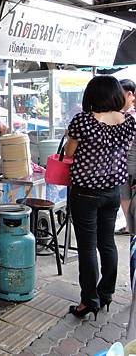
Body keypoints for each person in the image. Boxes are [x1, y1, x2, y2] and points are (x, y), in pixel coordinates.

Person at [64, 76, 136, 319]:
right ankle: (106, 293)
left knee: (87, 248)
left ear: (92, 96)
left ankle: (89, 301)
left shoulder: (82, 121)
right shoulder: (128, 122)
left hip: (85, 192)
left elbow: (69, 153)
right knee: (107, 243)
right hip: (112, 192)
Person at [118, 79, 136, 234]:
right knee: (124, 195)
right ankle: (130, 226)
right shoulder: (120, 114)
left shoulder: (130, 116)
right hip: (123, 164)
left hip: (129, 164)